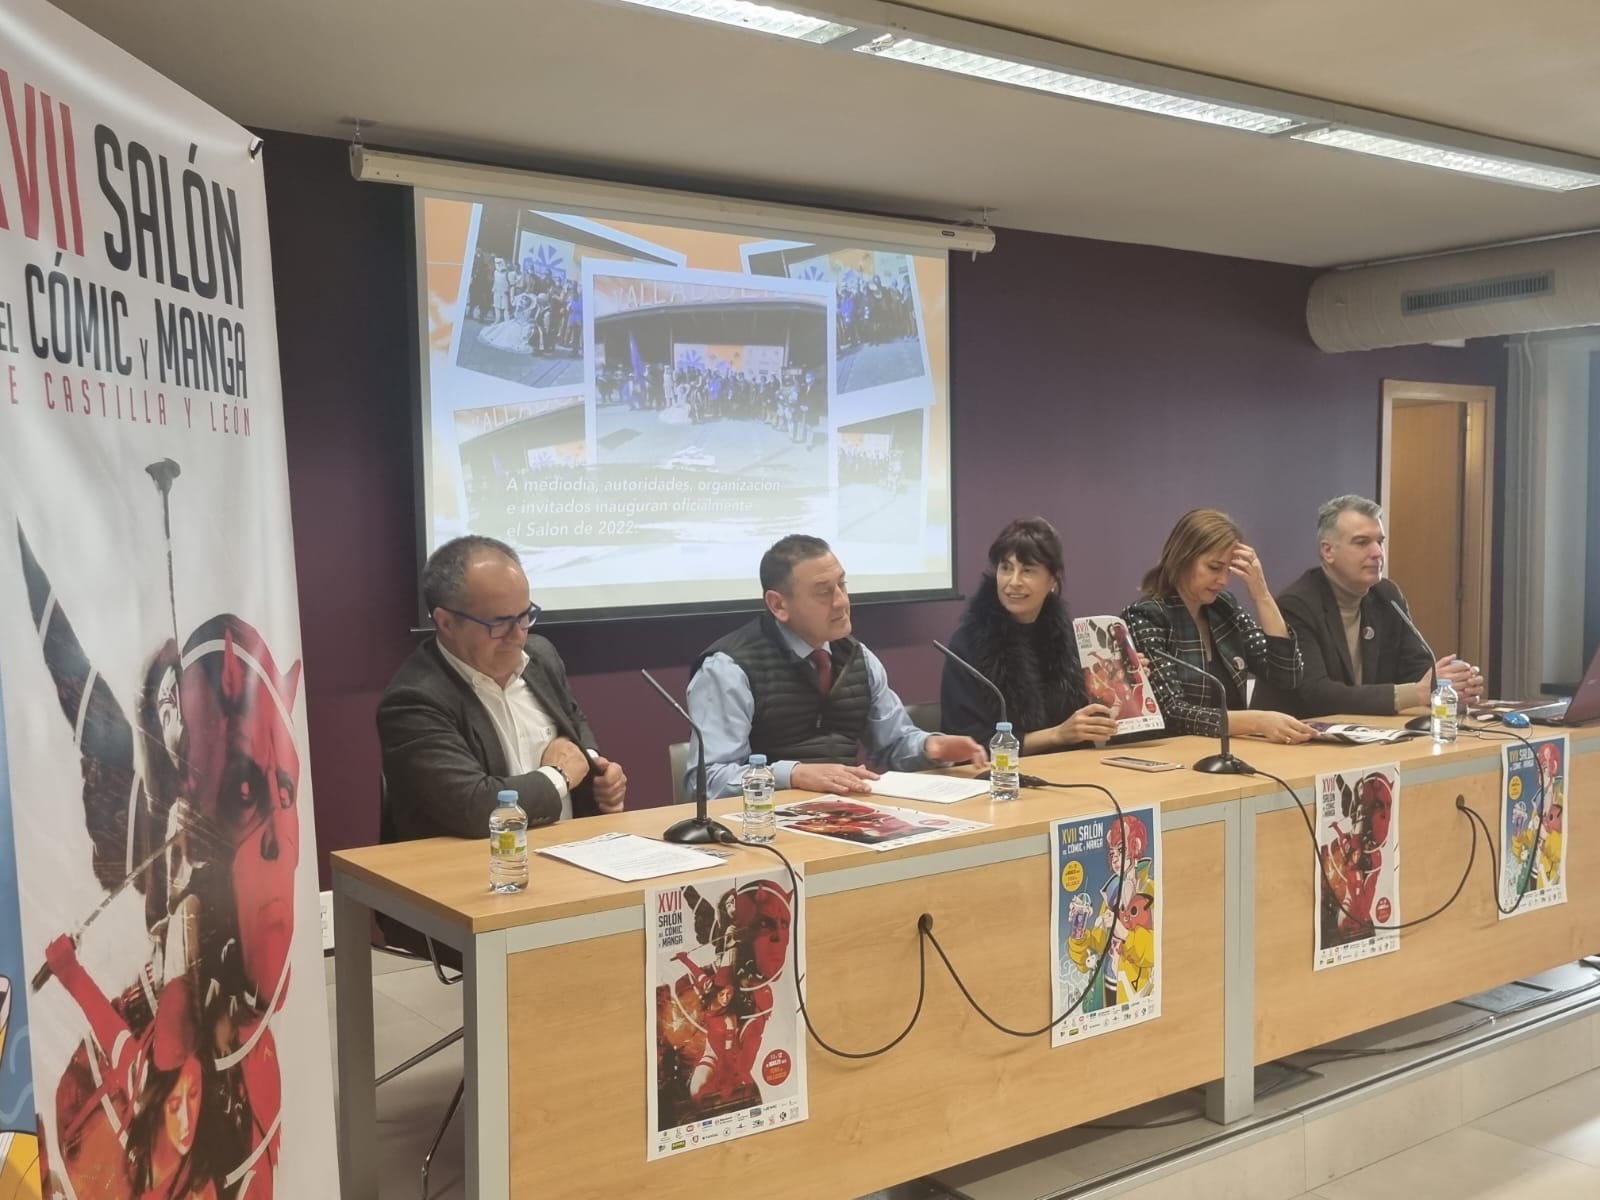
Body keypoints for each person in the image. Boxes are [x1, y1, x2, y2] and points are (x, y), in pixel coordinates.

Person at [686, 535, 986, 798]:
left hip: (844, 813)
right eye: (823, 592)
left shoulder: (858, 656)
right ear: (778, 605)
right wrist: (793, 775)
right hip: (762, 823)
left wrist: (931, 747)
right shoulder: (728, 669)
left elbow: (893, 743)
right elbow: (708, 780)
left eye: (842, 584)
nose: (841, 602)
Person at [378, 535, 626, 841]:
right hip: (475, 863)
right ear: (446, 622)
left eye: (524, 616)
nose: (517, 636)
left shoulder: (541, 657)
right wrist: (560, 775)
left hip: (571, 850)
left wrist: (594, 767)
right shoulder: (414, 700)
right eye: (499, 623)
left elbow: (575, 723)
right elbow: (474, 806)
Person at [1252, 495, 1483, 718]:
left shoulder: (1386, 596)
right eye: (1362, 543)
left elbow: (1414, 668)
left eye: (1380, 542)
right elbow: (1316, 693)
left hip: (1366, 732)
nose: (1377, 553)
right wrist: (1417, 692)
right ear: (1328, 551)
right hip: (1297, 736)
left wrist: (1452, 684)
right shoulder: (1297, 605)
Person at [1122, 509, 1312, 743]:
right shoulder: (1146, 615)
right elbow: (1172, 713)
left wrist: (1261, 595)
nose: (1223, 580)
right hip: (1174, 753)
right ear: (1183, 558)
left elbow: (1287, 675)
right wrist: (1257, 721)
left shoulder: (1224, 608)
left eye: (1228, 570)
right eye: (1214, 567)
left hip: (1230, 751)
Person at [940, 517, 1120, 751]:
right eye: (1006, 568)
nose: (1013, 582)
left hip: (1072, 765)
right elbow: (966, 745)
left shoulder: (1074, 640)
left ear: (1052, 580)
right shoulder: (967, 645)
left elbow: (1098, 721)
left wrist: (1122, 680)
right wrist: (1056, 735)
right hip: (1000, 770)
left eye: (1027, 571)